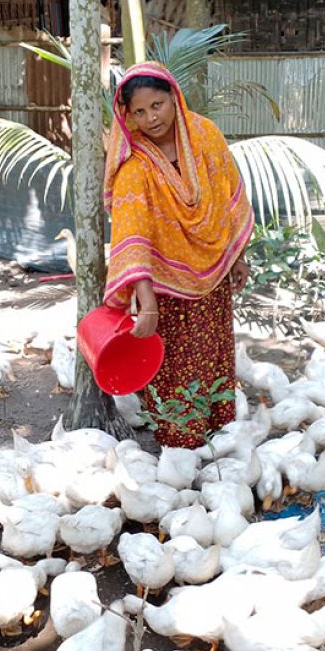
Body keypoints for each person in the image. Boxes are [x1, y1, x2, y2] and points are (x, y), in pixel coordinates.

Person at [102, 62, 254, 449]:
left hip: (214, 271)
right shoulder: (134, 167)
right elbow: (132, 235)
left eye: (157, 105)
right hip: (165, 287)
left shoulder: (205, 136)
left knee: (214, 349)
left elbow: (225, 196)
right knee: (174, 363)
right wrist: (146, 300)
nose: (151, 117)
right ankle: (179, 440)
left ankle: (218, 429)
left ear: (174, 98)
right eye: (139, 111)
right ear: (128, 116)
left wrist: (237, 255)